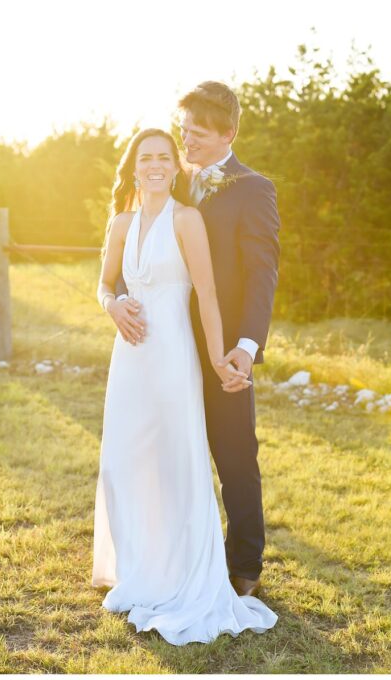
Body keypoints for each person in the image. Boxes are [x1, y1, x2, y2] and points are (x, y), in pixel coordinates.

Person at [92, 127, 277, 644]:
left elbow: (210, 295)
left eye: (164, 157)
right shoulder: (120, 223)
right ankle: (140, 566)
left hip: (174, 352)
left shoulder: (189, 219)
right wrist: (111, 306)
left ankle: (183, 574)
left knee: (177, 460)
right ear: (134, 167)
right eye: (145, 157)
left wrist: (221, 358)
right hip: (129, 358)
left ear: (176, 167)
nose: (154, 164)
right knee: (123, 462)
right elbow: (104, 283)